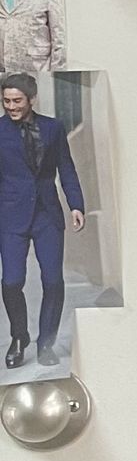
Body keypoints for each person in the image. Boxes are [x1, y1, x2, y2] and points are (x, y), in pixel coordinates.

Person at [0, 71, 85, 369]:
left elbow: (66, 167)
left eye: (17, 101)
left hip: (47, 215)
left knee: (53, 281)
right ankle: (19, 337)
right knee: (11, 282)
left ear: (31, 99)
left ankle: (46, 342)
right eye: (6, 100)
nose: (11, 107)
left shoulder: (53, 128)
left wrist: (76, 204)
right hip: (10, 216)